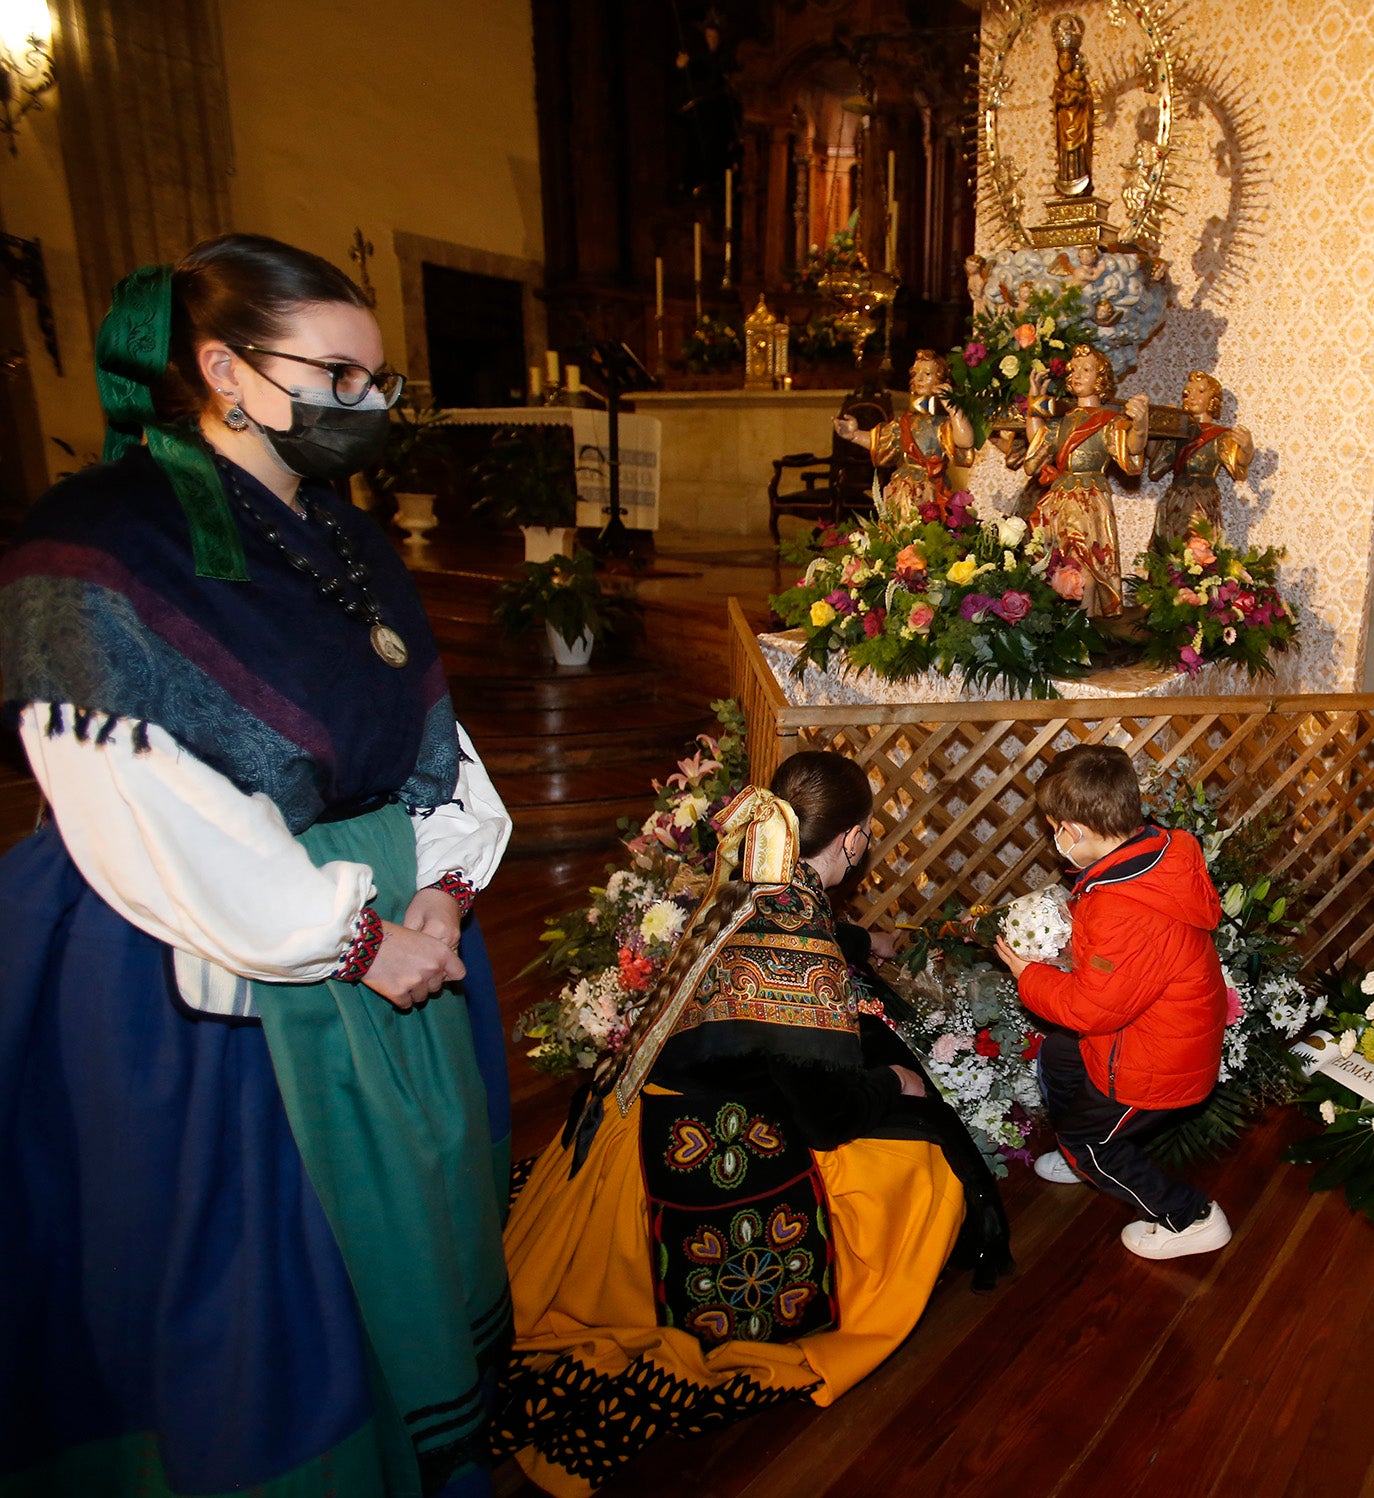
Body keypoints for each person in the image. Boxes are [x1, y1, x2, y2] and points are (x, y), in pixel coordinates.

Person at [0, 234, 513, 1497]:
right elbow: (142, 804)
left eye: (380, 381)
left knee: (413, 1240)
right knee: (255, 1276)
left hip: (397, 930)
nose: (369, 407)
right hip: (207, 964)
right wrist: (352, 941)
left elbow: (434, 741)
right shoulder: (96, 542)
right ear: (225, 367)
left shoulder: (339, 535)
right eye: (339, 376)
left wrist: (444, 888)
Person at [495, 752, 1010, 1496]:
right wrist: (891, 1083)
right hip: (687, 1159)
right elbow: (827, 1118)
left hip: (622, 1124)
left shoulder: (744, 872)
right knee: (923, 1164)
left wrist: (868, 944)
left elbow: (796, 933)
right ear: (857, 840)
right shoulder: (793, 940)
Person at [993, 745, 1232, 1261]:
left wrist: (1028, 973)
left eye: (1054, 827)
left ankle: (1189, 1216)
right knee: (1060, 1053)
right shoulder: (1160, 854)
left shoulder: (1118, 907)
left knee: (1090, 1143)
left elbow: (1091, 1010)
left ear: (1073, 831)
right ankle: (1083, 1151)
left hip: (1154, 1061)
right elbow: (1123, 972)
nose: (1054, 837)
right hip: (1154, 1030)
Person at [1022, 344, 1148, 617]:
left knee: (1085, 565)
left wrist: (1139, 426)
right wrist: (1035, 400)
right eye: (1074, 369)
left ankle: (1088, 624)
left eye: (1086, 370)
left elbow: (1131, 451)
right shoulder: (1062, 421)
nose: (1078, 374)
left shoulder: (1109, 422)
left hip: (1089, 502)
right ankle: (1063, 625)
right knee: (1058, 563)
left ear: (1100, 378)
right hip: (1059, 501)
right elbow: (1038, 440)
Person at [834, 350, 974, 526]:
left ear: (941, 381)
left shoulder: (943, 423)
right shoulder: (906, 422)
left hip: (928, 489)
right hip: (901, 489)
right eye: (916, 374)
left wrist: (954, 409)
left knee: (924, 534)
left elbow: (965, 441)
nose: (919, 378)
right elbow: (882, 442)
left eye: (927, 374)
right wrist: (854, 435)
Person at [1148, 370, 1254, 549]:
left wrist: (1247, 448)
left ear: (1212, 399)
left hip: (1202, 497)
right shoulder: (1177, 433)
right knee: (1170, 546)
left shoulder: (1221, 436)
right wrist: (1157, 427)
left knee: (1198, 544)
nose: (1192, 397)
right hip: (1176, 497)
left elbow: (1239, 464)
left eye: (1201, 391)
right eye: (1187, 393)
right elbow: (1155, 462)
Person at [1052, 12, 1094, 198]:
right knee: (1064, 155)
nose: (1065, 62)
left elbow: (1085, 101)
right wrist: (1064, 101)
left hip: (1078, 126)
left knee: (1078, 154)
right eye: (1062, 58)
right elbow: (1058, 101)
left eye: (1069, 58)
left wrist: (1077, 98)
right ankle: (1066, 181)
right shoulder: (1059, 84)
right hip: (1064, 126)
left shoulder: (1081, 82)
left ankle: (1080, 183)